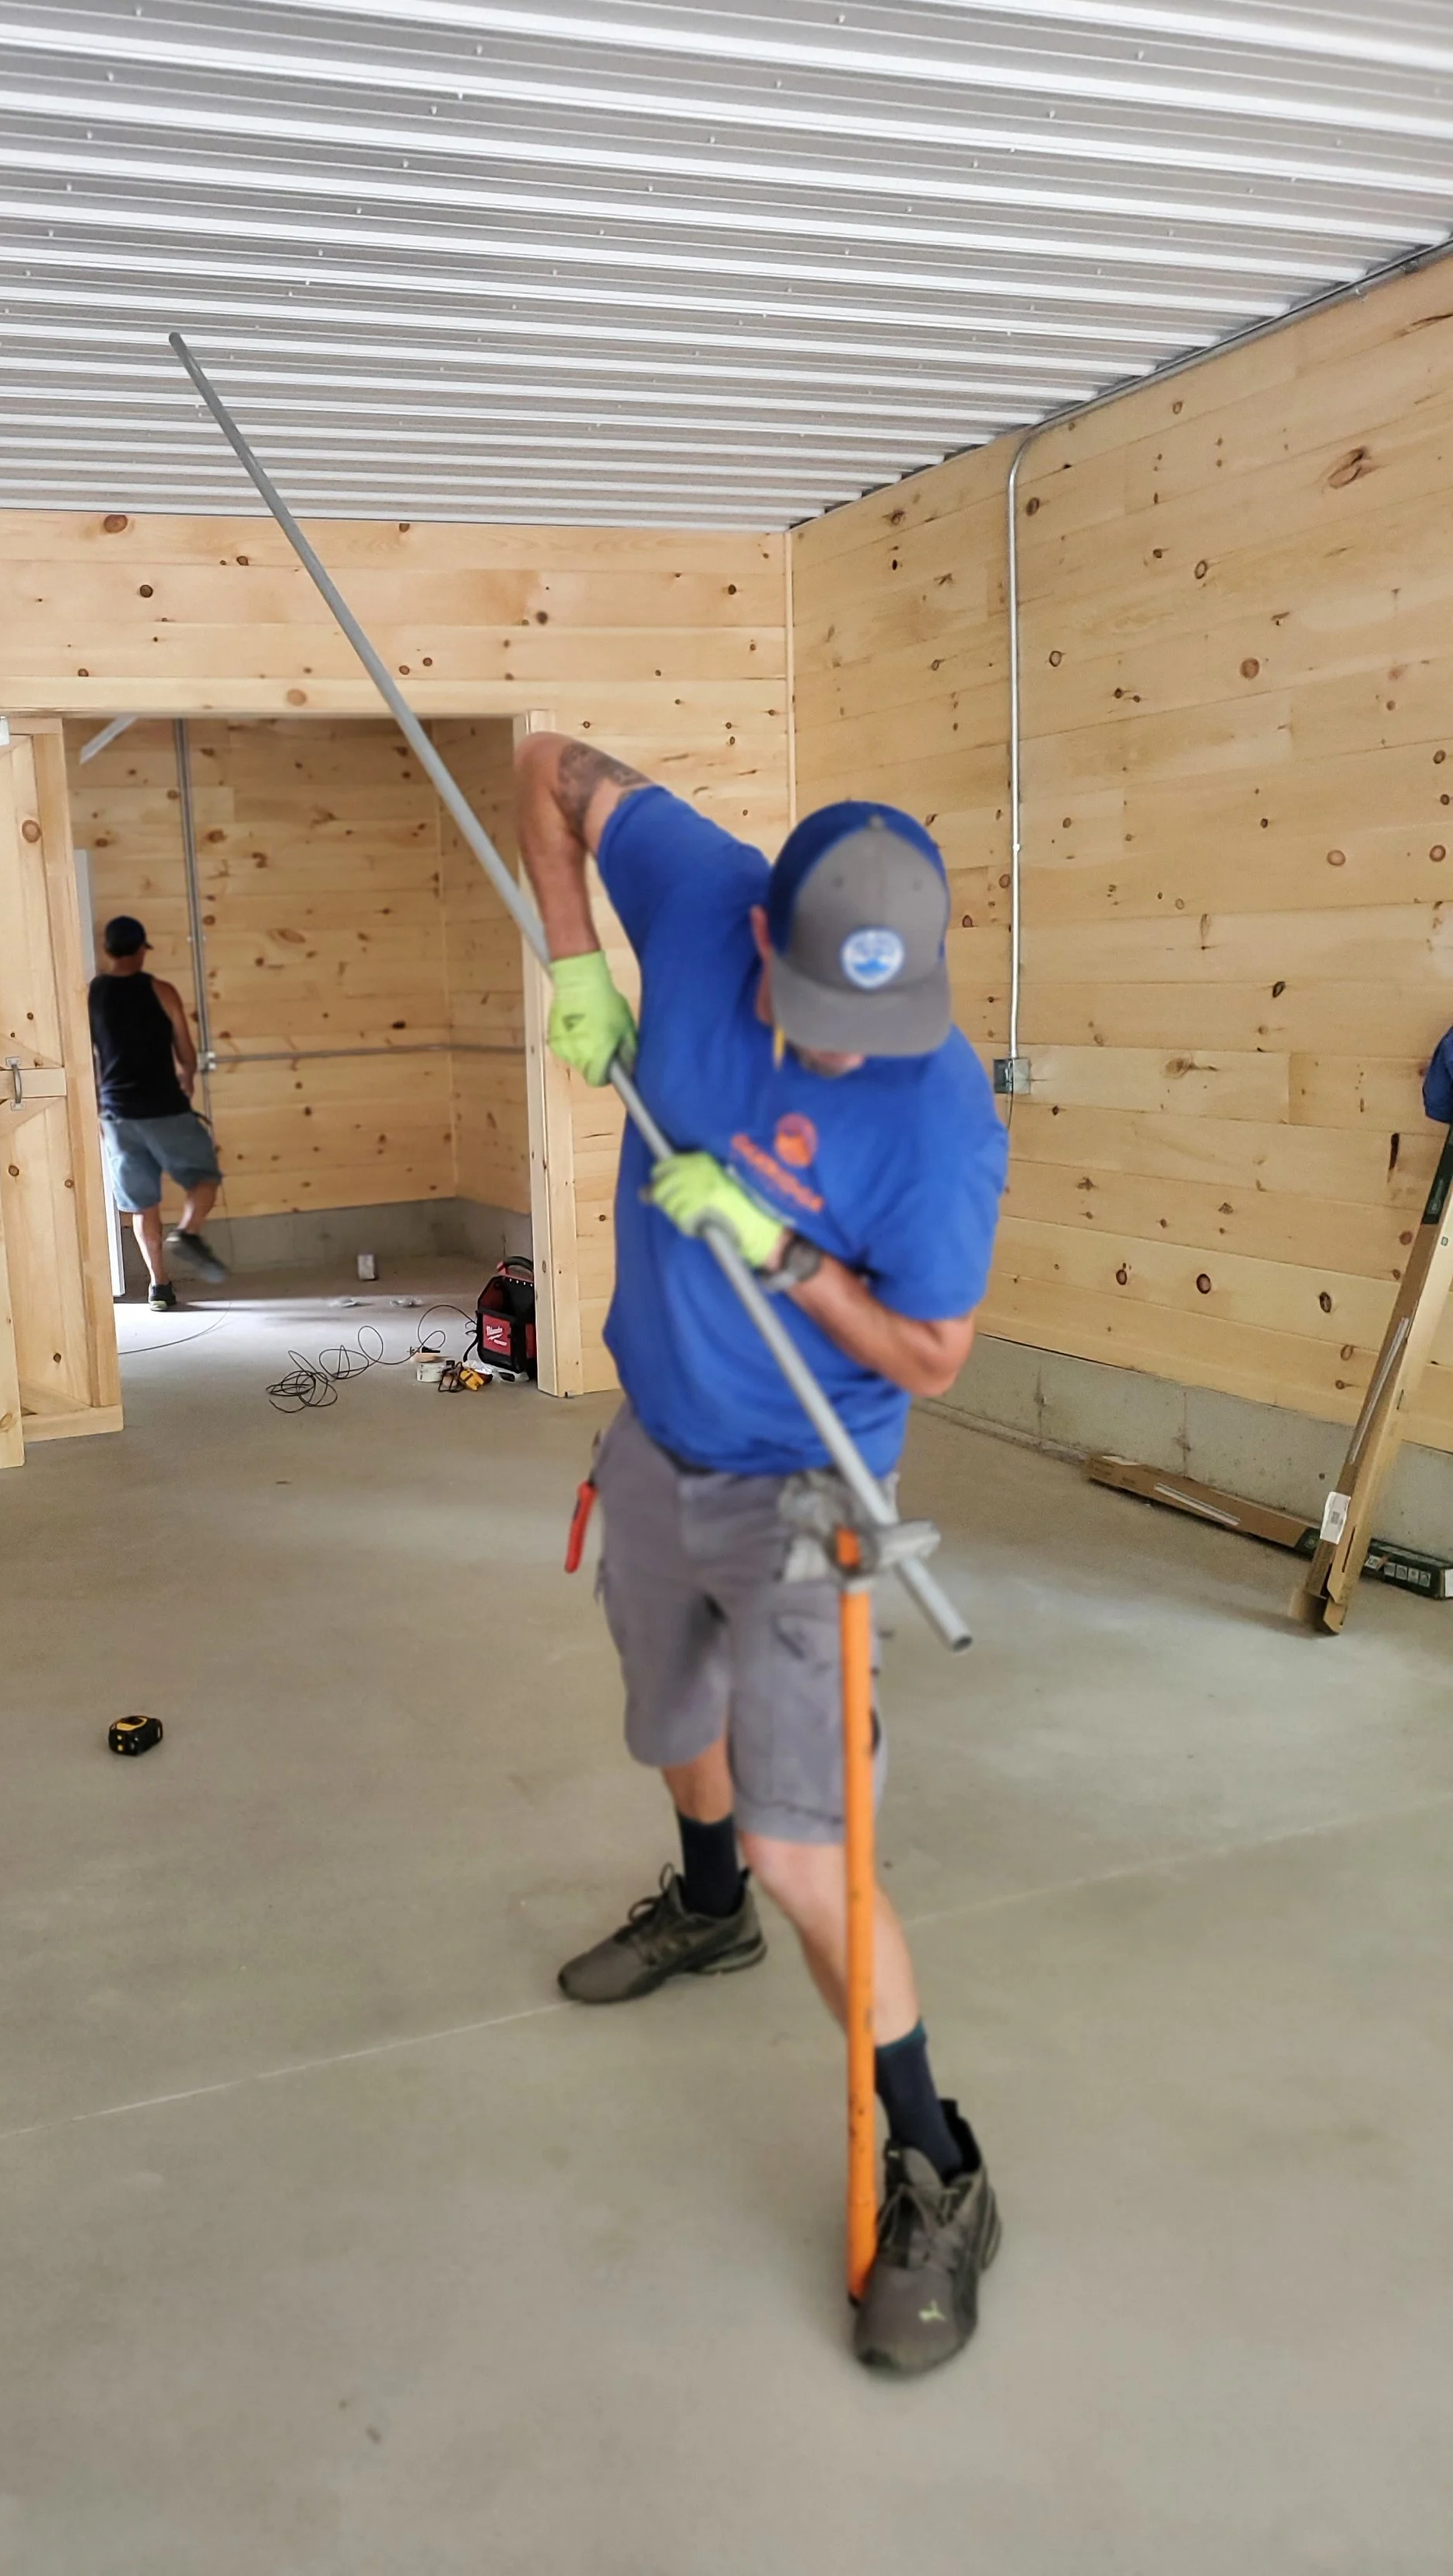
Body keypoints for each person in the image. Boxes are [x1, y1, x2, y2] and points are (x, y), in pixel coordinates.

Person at [517, 732, 1009, 2377]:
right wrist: (577, 964)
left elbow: (932, 1355)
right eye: (823, 1017)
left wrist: (785, 1252)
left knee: (822, 1857)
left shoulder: (937, 1115)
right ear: (752, 936)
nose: (852, 1057)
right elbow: (544, 765)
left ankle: (938, 2165)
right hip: (654, 1442)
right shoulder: (696, 883)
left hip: (808, 1487)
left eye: (888, 1022)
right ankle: (704, 1907)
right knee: (672, 1729)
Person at [88, 915, 226, 1309]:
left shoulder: (91, 993)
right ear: (141, 950)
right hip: (164, 1107)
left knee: (141, 1204)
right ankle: (188, 1231)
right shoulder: (161, 990)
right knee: (204, 1177)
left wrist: (100, 1108)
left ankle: (159, 1286)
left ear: (108, 950)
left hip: (118, 1116)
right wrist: (188, 1076)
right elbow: (185, 1050)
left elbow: (90, 1056)